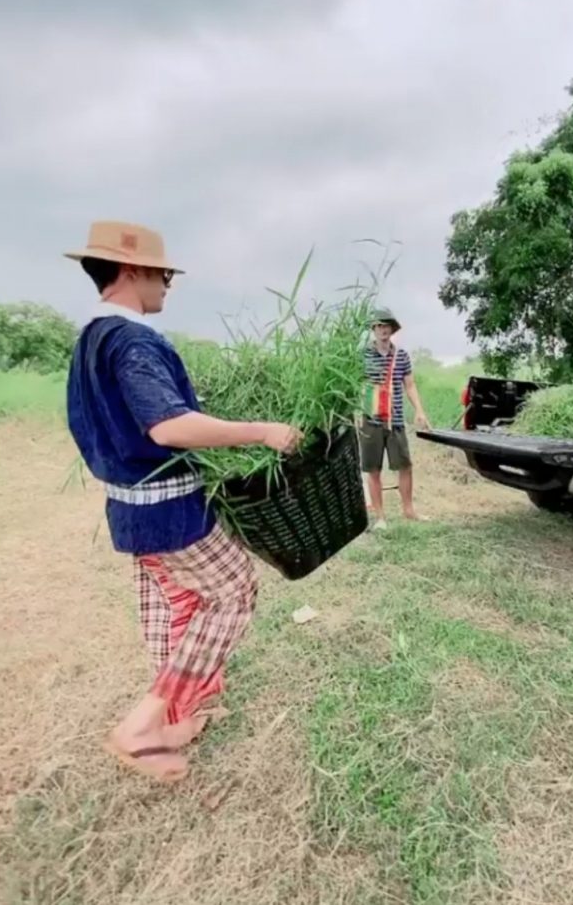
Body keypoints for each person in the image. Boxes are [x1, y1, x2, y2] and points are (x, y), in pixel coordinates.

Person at [64, 220, 302, 783]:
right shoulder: (133, 340)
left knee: (173, 600)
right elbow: (168, 428)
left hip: (127, 506)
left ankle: (176, 716)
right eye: (164, 273)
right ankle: (143, 723)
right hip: (169, 509)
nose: (168, 284)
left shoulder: (90, 340)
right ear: (132, 271)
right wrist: (261, 430)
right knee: (233, 593)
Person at [360, 307, 429, 529]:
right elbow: (352, 385)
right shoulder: (363, 355)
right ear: (373, 329)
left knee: (405, 466)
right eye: (379, 326)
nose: (383, 330)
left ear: (392, 329)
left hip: (396, 419)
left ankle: (409, 511)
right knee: (373, 470)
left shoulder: (401, 356)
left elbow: (409, 385)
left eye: (386, 325)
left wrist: (419, 410)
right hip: (370, 421)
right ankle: (380, 517)